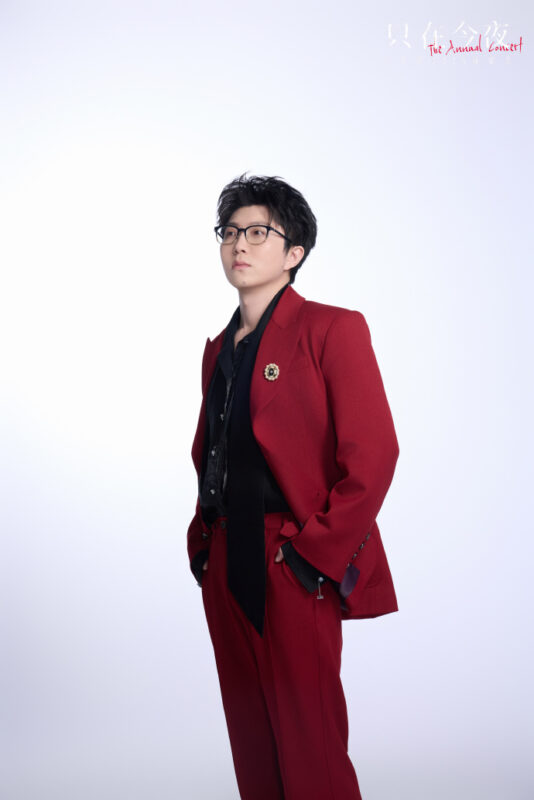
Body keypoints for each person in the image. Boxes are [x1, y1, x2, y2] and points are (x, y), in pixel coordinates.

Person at [187, 172, 399, 800]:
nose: (239, 245)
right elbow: (214, 451)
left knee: (311, 745)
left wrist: (314, 555)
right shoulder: (219, 348)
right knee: (251, 740)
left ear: (294, 252)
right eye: (230, 232)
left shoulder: (333, 329)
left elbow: (374, 455)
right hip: (226, 554)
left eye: (258, 232)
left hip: (292, 555)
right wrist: (203, 543)